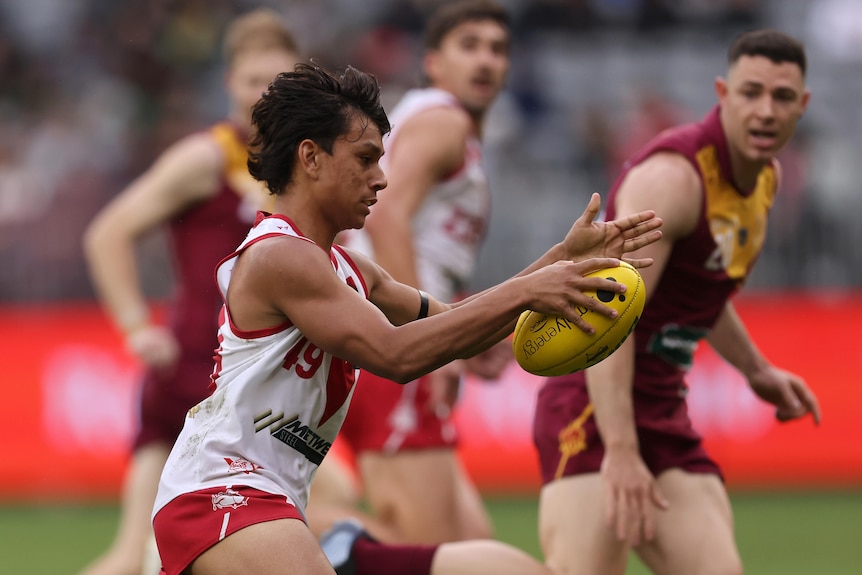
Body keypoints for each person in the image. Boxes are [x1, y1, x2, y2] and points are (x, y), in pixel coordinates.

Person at [151, 61, 662, 575]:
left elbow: (456, 327)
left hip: (267, 495)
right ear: (310, 157)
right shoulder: (282, 257)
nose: (381, 179)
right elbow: (397, 354)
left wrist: (558, 264)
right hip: (222, 491)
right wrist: (531, 290)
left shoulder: (351, 270)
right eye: (366, 159)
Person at [532, 28, 822, 575]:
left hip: (662, 407)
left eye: (782, 97)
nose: (766, 110)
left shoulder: (764, 182)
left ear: (802, 105)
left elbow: (701, 293)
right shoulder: (672, 180)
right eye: (751, 92)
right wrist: (619, 449)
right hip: (594, 408)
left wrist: (756, 371)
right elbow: (605, 311)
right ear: (723, 94)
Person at [80, 10, 300, 575]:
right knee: (154, 555)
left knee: (138, 557)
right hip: (193, 378)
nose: (264, 96)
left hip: (250, 385)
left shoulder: (297, 166)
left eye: (279, 84)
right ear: (230, 82)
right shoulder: (204, 158)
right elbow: (107, 234)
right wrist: (134, 326)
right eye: (254, 81)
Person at [308, 0, 514, 545]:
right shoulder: (444, 122)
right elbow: (390, 214)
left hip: (381, 327)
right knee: (428, 553)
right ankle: (256, 534)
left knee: (473, 549)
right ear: (434, 62)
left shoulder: (436, 124)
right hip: (393, 340)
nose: (486, 60)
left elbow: (424, 244)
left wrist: (469, 334)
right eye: (469, 46)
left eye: (497, 49)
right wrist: (429, 337)